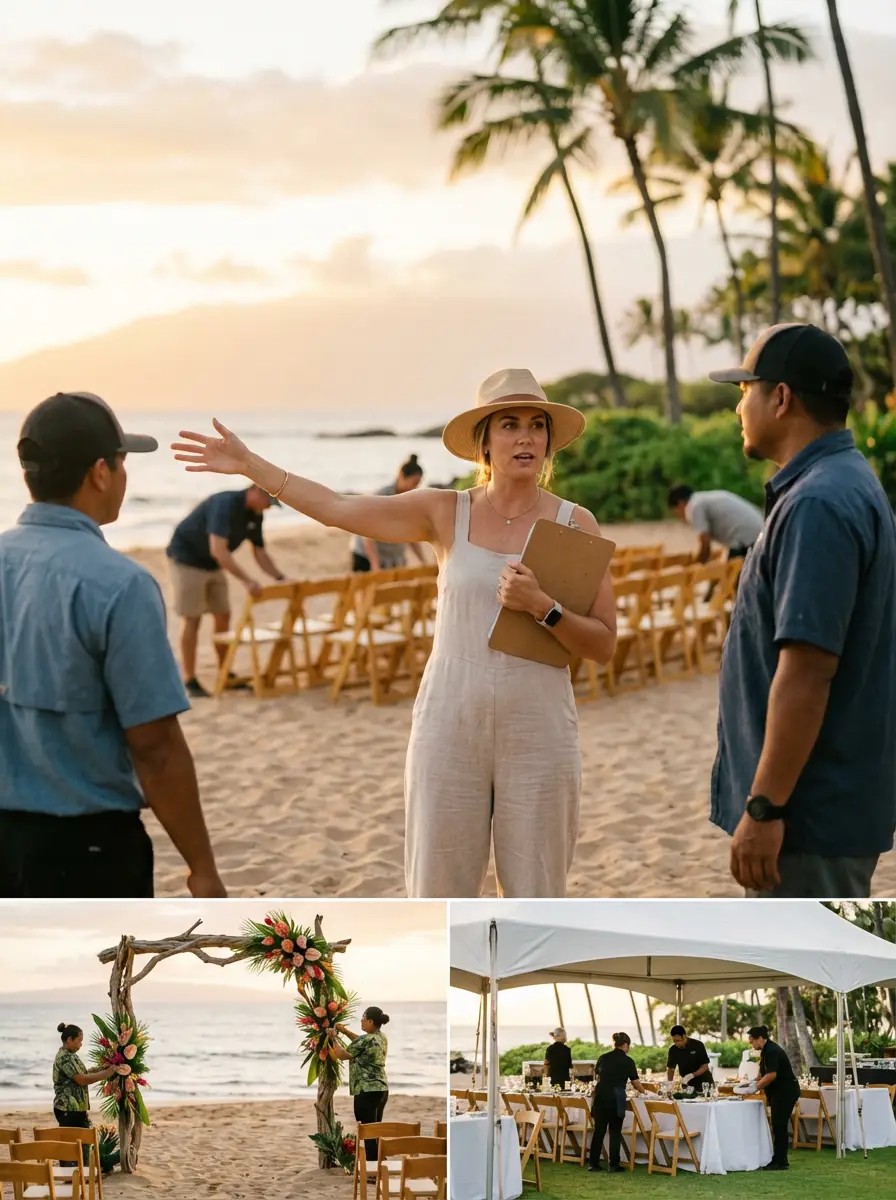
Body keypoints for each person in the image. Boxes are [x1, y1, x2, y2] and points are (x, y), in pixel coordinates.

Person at [172, 368, 617, 897]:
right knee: (436, 891)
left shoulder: (575, 523)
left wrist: (543, 607)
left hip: (539, 729)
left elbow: (604, 644)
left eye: (536, 426)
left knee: (537, 896)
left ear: (548, 441)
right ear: (484, 441)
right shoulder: (444, 510)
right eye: (508, 424)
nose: (525, 437)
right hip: (450, 724)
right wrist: (252, 466)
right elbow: (338, 510)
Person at [0, 391, 226, 899]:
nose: (125, 477)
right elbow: (156, 747)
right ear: (101, 472)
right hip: (84, 849)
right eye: (123, 463)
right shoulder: (119, 584)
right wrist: (202, 868)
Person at [708, 324, 896, 898]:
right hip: (823, 810)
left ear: (781, 397)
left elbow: (808, 670)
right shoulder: (843, 482)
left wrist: (764, 809)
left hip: (805, 822)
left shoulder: (817, 502)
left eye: (745, 389)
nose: (740, 405)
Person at [166, 485, 287, 698]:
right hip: (187, 560)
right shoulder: (225, 504)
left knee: (223, 614)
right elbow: (218, 550)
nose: (268, 508)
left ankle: (225, 672)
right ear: (256, 491)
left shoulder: (255, 514)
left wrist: (280, 577)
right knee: (192, 618)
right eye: (268, 502)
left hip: (213, 565)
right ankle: (189, 678)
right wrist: (247, 581)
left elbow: (259, 552)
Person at [327, 1006, 390, 1162]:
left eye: (363, 1019)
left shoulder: (367, 1039)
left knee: (367, 1130)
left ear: (370, 1021)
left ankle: (373, 1168)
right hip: (381, 1089)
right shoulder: (380, 1037)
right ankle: (380, 1162)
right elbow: (360, 1041)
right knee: (375, 1128)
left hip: (366, 1090)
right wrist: (346, 1032)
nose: (361, 1021)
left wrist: (333, 1037)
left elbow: (342, 1055)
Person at [351, 455, 427, 571]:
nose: (415, 487)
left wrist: (423, 562)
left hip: (393, 558)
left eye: (418, 484)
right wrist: (375, 565)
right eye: (413, 483)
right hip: (367, 556)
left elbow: (412, 535)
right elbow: (367, 535)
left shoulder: (412, 502)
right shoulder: (382, 497)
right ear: (401, 475)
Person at [588, 1032, 647, 1174]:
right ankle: (613, 1165)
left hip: (600, 1095)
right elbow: (635, 1082)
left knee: (599, 1131)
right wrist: (645, 1092)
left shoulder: (603, 1057)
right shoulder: (628, 1061)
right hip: (616, 1097)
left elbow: (598, 1075)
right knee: (615, 1131)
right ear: (626, 1044)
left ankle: (593, 1164)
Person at [746, 1025, 799, 1171]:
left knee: (779, 1125)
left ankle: (779, 1161)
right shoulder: (766, 1050)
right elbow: (763, 1072)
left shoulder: (772, 1050)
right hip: (779, 1092)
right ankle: (781, 1159)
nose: (751, 1044)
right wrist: (753, 1082)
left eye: (752, 1041)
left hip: (785, 1091)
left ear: (760, 1039)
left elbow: (771, 1075)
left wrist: (756, 1087)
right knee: (778, 1124)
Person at [667, 484, 763, 562]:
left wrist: (693, 567)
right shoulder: (704, 499)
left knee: (731, 577)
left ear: (680, 503)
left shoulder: (693, 507)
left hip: (748, 540)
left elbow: (705, 545)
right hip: (760, 533)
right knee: (724, 571)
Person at [53, 1022, 117, 1131]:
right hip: (68, 1109)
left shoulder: (71, 1055)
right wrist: (107, 1073)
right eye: (79, 1041)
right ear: (69, 1040)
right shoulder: (65, 1058)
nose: (81, 1044)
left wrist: (103, 1068)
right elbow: (82, 1080)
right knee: (75, 1145)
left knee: (80, 1144)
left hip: (75, 1109)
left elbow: (84, 1074)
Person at [666, 1025, 713, 1092]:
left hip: (704, 1081)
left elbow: (705, 1066)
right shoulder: (673, 1050)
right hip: (687, 1083)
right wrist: (669, 1084)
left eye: (678, 1040)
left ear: (684, 1036)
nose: (676, 1043)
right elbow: (671, 1069)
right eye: (674, 1041)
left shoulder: (698, 1045)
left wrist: (690, 1076)